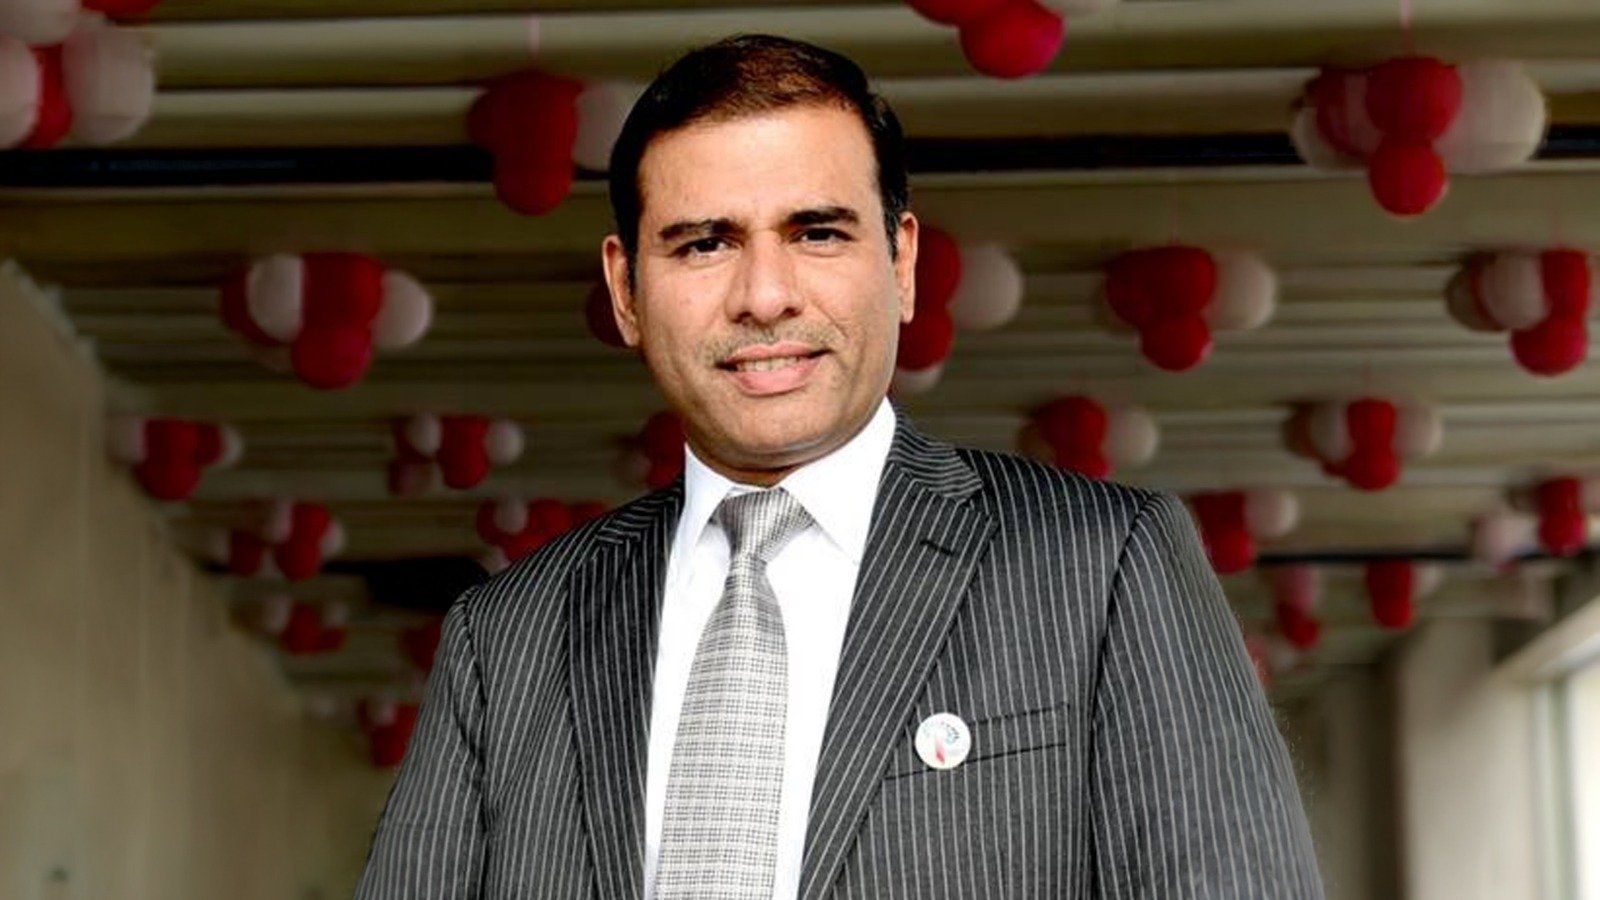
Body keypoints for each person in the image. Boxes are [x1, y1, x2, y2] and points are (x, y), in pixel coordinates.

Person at [355, 34, 1323, 900]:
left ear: (901, 262)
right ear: (625, 290)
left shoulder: (1102, 567)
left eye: (817, 232)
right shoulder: (507, 636)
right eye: (704, 243)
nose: (765, 295)